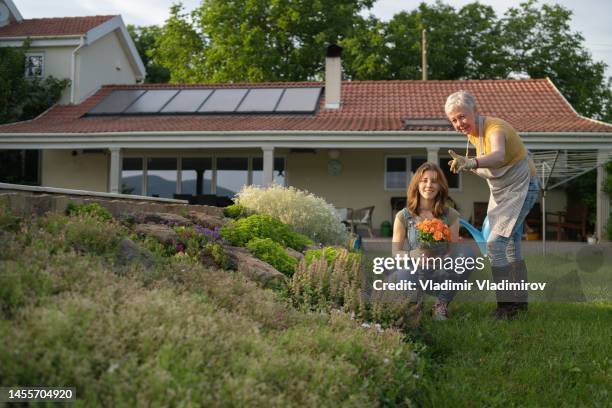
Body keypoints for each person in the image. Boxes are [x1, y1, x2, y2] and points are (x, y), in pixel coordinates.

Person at [445, 90, 540, 319]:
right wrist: (471, 161)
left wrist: (471, 162)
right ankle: (519, 304)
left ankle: (506, 307)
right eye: (454, 120)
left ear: (475, 111)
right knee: (510, 245)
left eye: (462, 116)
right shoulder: (473, 135)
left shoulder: (495, 129)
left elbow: (497, 156)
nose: (459, 123)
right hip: (502, 193)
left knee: (495, 245)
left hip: (522, 188)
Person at [392, 162, 461, 320]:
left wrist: (445, 260)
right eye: (424, 180)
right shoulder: (403, 216)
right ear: (417, 184)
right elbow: (395, 253)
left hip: (440, 273)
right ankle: (415, 303)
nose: (429, 185)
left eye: (434, 181)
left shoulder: (451, 216)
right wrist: (412, 255)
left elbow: (453, 251)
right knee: (402, 272)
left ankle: (440, 306)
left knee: (466, 257)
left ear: (440, 186)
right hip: (414, 271)